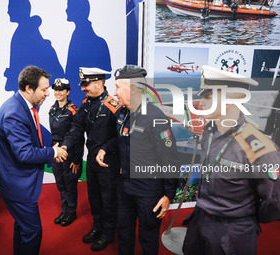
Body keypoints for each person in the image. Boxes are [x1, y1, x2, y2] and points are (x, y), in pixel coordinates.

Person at [182, 66, 280, 255]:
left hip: (232, 232)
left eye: (207, 97)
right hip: (200, 221)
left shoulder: (258, 146)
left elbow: (275, 201)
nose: (201, 102)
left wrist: (244, 216)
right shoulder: (209, 132)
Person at [96, 65, 180, 255]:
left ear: (133, 89)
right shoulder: (123, 114)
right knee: (124, 232)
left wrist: (168, 195)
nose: (115, 93)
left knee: (147, 238)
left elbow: (170, 159)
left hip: (148, 191)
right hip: (125, 186)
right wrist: (104, 148)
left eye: (118, 87)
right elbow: (121, 140)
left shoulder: (155, 118)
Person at [0, 65, 68, 255]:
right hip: (16, 184)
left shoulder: (22, 105)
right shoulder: (14, 113)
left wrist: (50, 151)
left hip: (15, 180)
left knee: (24, 227)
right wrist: (53, 153)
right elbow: (24, 153)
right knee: (33, 231)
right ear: (29, 88)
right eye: (44, 89)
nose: (48, 93)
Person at [62, 67, 121, 251]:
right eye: (83, 85)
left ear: (99, 83)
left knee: (108, 199)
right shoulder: (86, 104)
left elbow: (122, 138)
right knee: (94, 196)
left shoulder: (114, 106)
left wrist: (106, 148)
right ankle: (97, 227)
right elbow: (76, 129)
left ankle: (108, 233)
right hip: (92, 162)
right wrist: (65, 145)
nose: (82, 88)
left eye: (86, 84)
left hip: (109, 163)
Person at [49, 78, 84, 227]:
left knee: (70, 185)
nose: (58, 93)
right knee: (60, 184)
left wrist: (76, 160)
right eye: (56, 90)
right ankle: (64, 210)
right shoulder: (52, 109)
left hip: (70, 154)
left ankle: (71, 212)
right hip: (57, 153)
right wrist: (54, 153)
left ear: (67, 92)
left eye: (61, 90)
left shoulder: (74, 111)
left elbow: (79, 137)